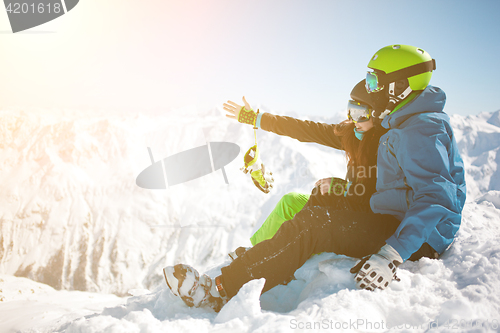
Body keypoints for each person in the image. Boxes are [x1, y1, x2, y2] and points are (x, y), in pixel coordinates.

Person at [162, 44, 466, 313]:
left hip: (419, 237)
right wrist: (258, 119)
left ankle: (218, 290)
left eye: (375, 80)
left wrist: (391, 253)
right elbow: (310, 130)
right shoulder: (402, 119)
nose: (370, 88)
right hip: (398, 215)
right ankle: (275, 258)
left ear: (399, 86)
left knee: (314, 223)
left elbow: (437, 196)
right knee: (318, 203)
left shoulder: (417, 129)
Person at [231, 79, 387, 251]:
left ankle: (274, 254)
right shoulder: (353, 135)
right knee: (290, 201)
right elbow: (305, 129)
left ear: (379, 114)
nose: (353, 120)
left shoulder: (387, 149)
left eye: (360, 113)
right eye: (351, 111)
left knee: (308, 217)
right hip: (347, 205)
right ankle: (254, 253)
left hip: (361, 223)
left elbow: (379, 201)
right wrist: (256, 119)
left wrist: (342, 188)